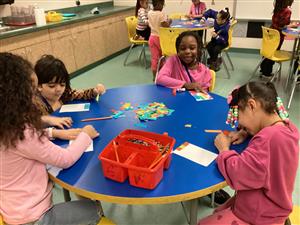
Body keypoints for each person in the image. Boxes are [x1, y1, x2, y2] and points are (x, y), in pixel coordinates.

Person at [0, 52, 102, 225]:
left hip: (11, 208)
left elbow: (25, 143)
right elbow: (65, 159)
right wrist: (86, 134)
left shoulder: (7, 123)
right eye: (32, 92)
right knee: (94, 209)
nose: (34, 99)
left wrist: (52, 133)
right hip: (34, 218)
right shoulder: (24, 132)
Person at [198, 81, 299, 224]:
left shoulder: (266, 140)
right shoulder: (287, 127)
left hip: (259, 214)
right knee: (219, 211)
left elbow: (238, 175)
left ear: (252, 105)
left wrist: (224, 149)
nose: (240, 124)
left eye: (239, 117)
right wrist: (247, 132)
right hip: (274, 208)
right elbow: (268, 154)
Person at [34, 55, 105, 114]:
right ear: (39, 86)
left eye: (62, 85)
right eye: (52, 86)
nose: (59, 89)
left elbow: (79, 94)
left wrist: (95, 91)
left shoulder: (64, 94)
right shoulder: (36, 107)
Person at [260, 0, 295, 77]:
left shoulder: (277, 8)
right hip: (278, 36)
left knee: (268, 52)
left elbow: (278, 23)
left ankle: (263, 70)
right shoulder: (287, 11)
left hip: (271, 33)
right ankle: (267, 73)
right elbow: (283, 26)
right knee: (273, 54)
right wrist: (292, 25)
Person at [148, 0, 172, 81]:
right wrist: (169, 21)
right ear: (158, 4)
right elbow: (165, 26)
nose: (162, 6)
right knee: (163, 56)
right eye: (162, 4)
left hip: (152, 37)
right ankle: (163, 75)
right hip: (160, 38)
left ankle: (154, 77)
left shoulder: (149, 13)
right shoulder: (161, 14)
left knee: (154, 58)